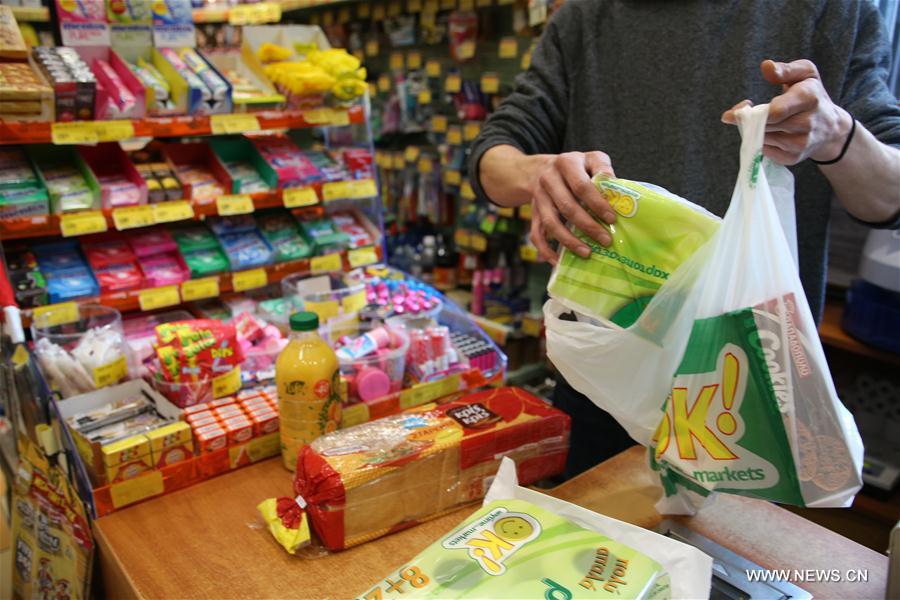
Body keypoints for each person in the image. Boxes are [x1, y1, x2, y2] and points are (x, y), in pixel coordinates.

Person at [469, 0, 900, 479]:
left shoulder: (830, 10)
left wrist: (838, 135)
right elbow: (493, 156)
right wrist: (538, 171)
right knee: (594, 544)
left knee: (734, 551)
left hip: (752, 380)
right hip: (607, 368)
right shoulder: (584, 19)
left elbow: (890, 194)